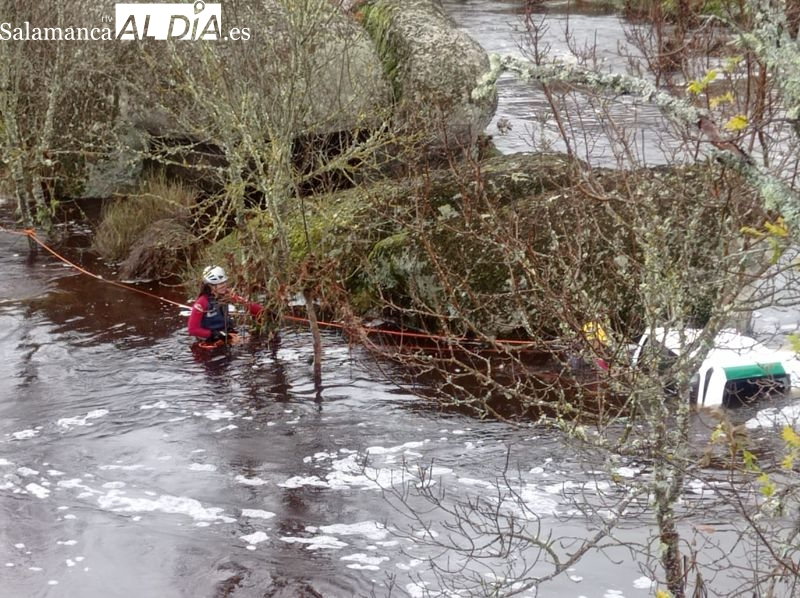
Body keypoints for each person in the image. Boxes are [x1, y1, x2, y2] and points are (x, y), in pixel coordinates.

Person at [187, 265, 264, 345]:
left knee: (254, 341)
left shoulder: (227, 295)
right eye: (220, 284)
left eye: (224, 282)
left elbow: (246, 304)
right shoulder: (201, 303)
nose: (224, 285)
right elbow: (192, 329)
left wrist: (265, 312)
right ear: (210, 286)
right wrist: (215, 334)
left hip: (225, 332)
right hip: (209, 338)